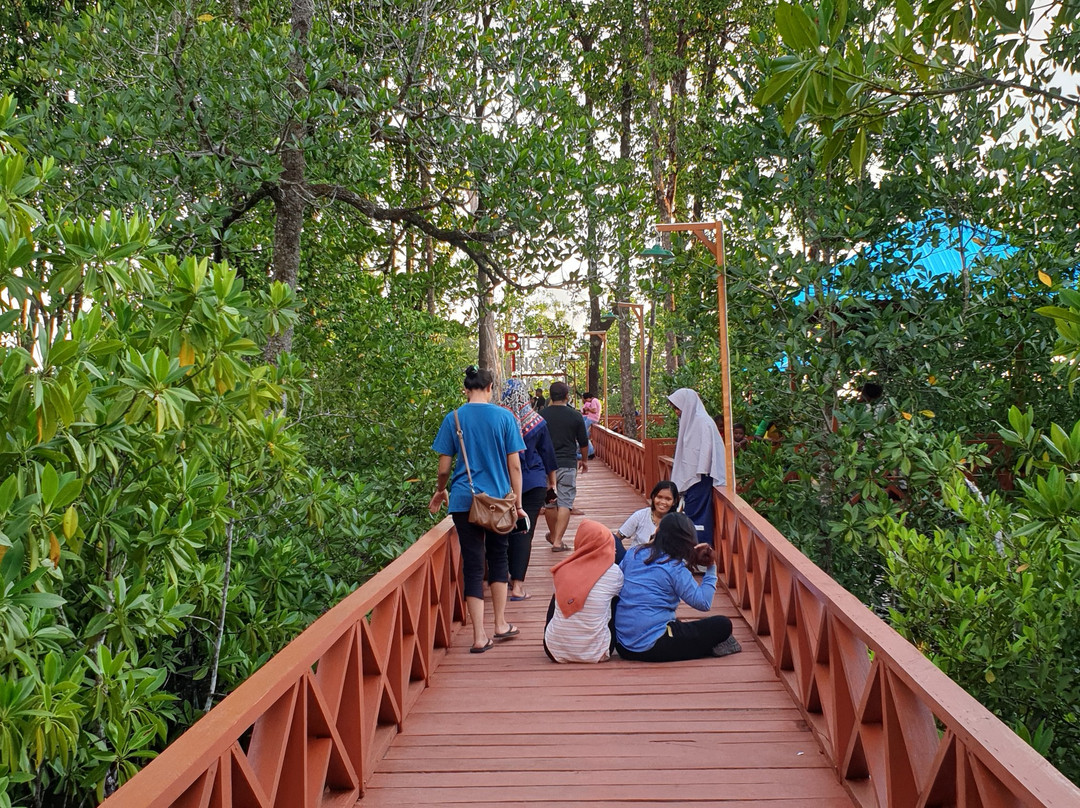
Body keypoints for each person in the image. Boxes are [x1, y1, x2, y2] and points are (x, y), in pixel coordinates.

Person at [430, 366, 526, 653]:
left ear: (465, 389)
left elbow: (444, 468)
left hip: (464, 500)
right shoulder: (505, 417)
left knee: (472, 565)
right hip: (498, 501)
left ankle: (479, 636)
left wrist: (440, 490)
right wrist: (519, 505)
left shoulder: (453, 418)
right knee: (498, 559)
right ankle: (500, 624)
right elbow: (515, 466)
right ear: (490, 387)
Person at [614, 512, 741, 662]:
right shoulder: (674, 567)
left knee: (677, 625)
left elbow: (618, 581)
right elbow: (703, 602)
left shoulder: (633, 553)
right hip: (653, 646)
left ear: (658, 531)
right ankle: (709, 646)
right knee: (722, 625)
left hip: (623, 645)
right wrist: (711, 567)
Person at [500, 378, 558, 601]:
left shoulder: (500, 421)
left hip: (504, 484)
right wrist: (552, 484)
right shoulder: (537, 422)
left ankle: (503, 576)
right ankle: (518, 586)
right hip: (533, 482)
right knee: (525, 531)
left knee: (503, 529)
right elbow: (548, 455)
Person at [543, 520, 624, 663]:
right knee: (615, 598)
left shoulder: (562, 569)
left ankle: (562, 638)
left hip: (553, 651)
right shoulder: (614, 572)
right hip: (598, 652)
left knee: (560, 596)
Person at [668, 388, 727, 549]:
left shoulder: (703, 422)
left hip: (701, 477)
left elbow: (706, 452)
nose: (676, 412)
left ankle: (700, 552)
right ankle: (690, 551)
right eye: (674, 408)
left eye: (678, 408)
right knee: (690, 515)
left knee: (697, 516)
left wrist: (700, 470)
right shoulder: (691, 422)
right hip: (692, 477)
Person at [540, 381, 589, 552]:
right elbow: (583, 442)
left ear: (550, 396)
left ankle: (554, 535)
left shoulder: (541, 415)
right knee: (565, 502)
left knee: (550, 502)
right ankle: (558, 541)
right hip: (568, 463)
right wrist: (584, 460)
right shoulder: (575, 415)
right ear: (567, 396)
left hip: (546, 465)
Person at [615, 481, 680, 551]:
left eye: (668, 499)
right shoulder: (640, 515)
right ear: (653, 497)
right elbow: (617, 538)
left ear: (674, 501)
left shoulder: (679, 522)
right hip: (637, 555)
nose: (663, 502)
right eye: (659, 497)